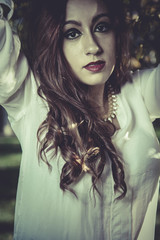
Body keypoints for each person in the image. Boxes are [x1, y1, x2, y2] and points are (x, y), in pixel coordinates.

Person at [0, 0, 160, 239]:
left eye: (102, 27)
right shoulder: (30, 96)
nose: (92, 47)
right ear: (53, 41)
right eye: (72, 33)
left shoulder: (140, 91)